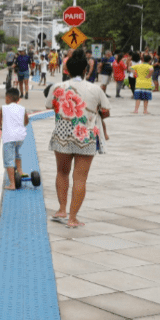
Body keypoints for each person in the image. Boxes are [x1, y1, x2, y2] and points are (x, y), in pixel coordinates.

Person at [48, 50, 111, 228]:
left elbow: (50, 106)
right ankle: (72, 218)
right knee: (80, 178)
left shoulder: (57, 87)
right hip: (86, 135)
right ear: (85, 69)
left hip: (62, 134)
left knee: (62, 172)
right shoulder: (95, 89)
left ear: (66, 68)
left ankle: (61, 209)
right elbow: (105, 112)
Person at [0, 87, 30, 190]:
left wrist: (2, 126)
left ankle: (12, 184)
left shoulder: (3, 108)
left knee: (8, 160)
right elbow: (26, 121)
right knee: (17, 153)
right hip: (20, 137)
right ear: (18, 99)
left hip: (9, 138)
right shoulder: (22, 108)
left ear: (7, 98)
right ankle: (20, 171)